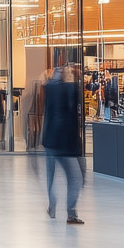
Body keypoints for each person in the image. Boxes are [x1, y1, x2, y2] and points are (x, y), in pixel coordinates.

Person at [43, 65, 87, 225]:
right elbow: (71, 106)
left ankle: (52, 205)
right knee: (75, 177)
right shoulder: (69, 89)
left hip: (50, 139)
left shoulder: (49, 88)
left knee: (51, 176)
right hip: (65, 141)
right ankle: (71, 213)